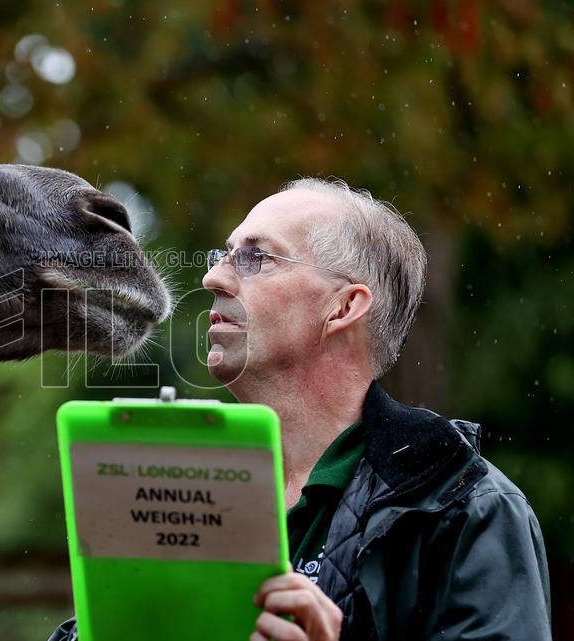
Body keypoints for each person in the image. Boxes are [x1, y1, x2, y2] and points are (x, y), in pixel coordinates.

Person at [48, 178, 551, 641]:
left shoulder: (468, 510)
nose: (213, 279)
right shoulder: (164, 481)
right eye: (221, 256)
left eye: (255, 258)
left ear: (343, 307)